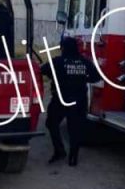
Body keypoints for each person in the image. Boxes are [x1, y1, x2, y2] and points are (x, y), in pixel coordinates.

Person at [40, 35, 95, 167]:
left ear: (63, 48)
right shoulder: (85, 62)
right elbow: (96, 77)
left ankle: (59, 151)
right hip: (79, 100)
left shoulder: (58, 61)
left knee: (51, 123)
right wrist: (81, 78)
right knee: (75, 129)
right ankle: (73, 158)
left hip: (60, 100)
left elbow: (42, 70)